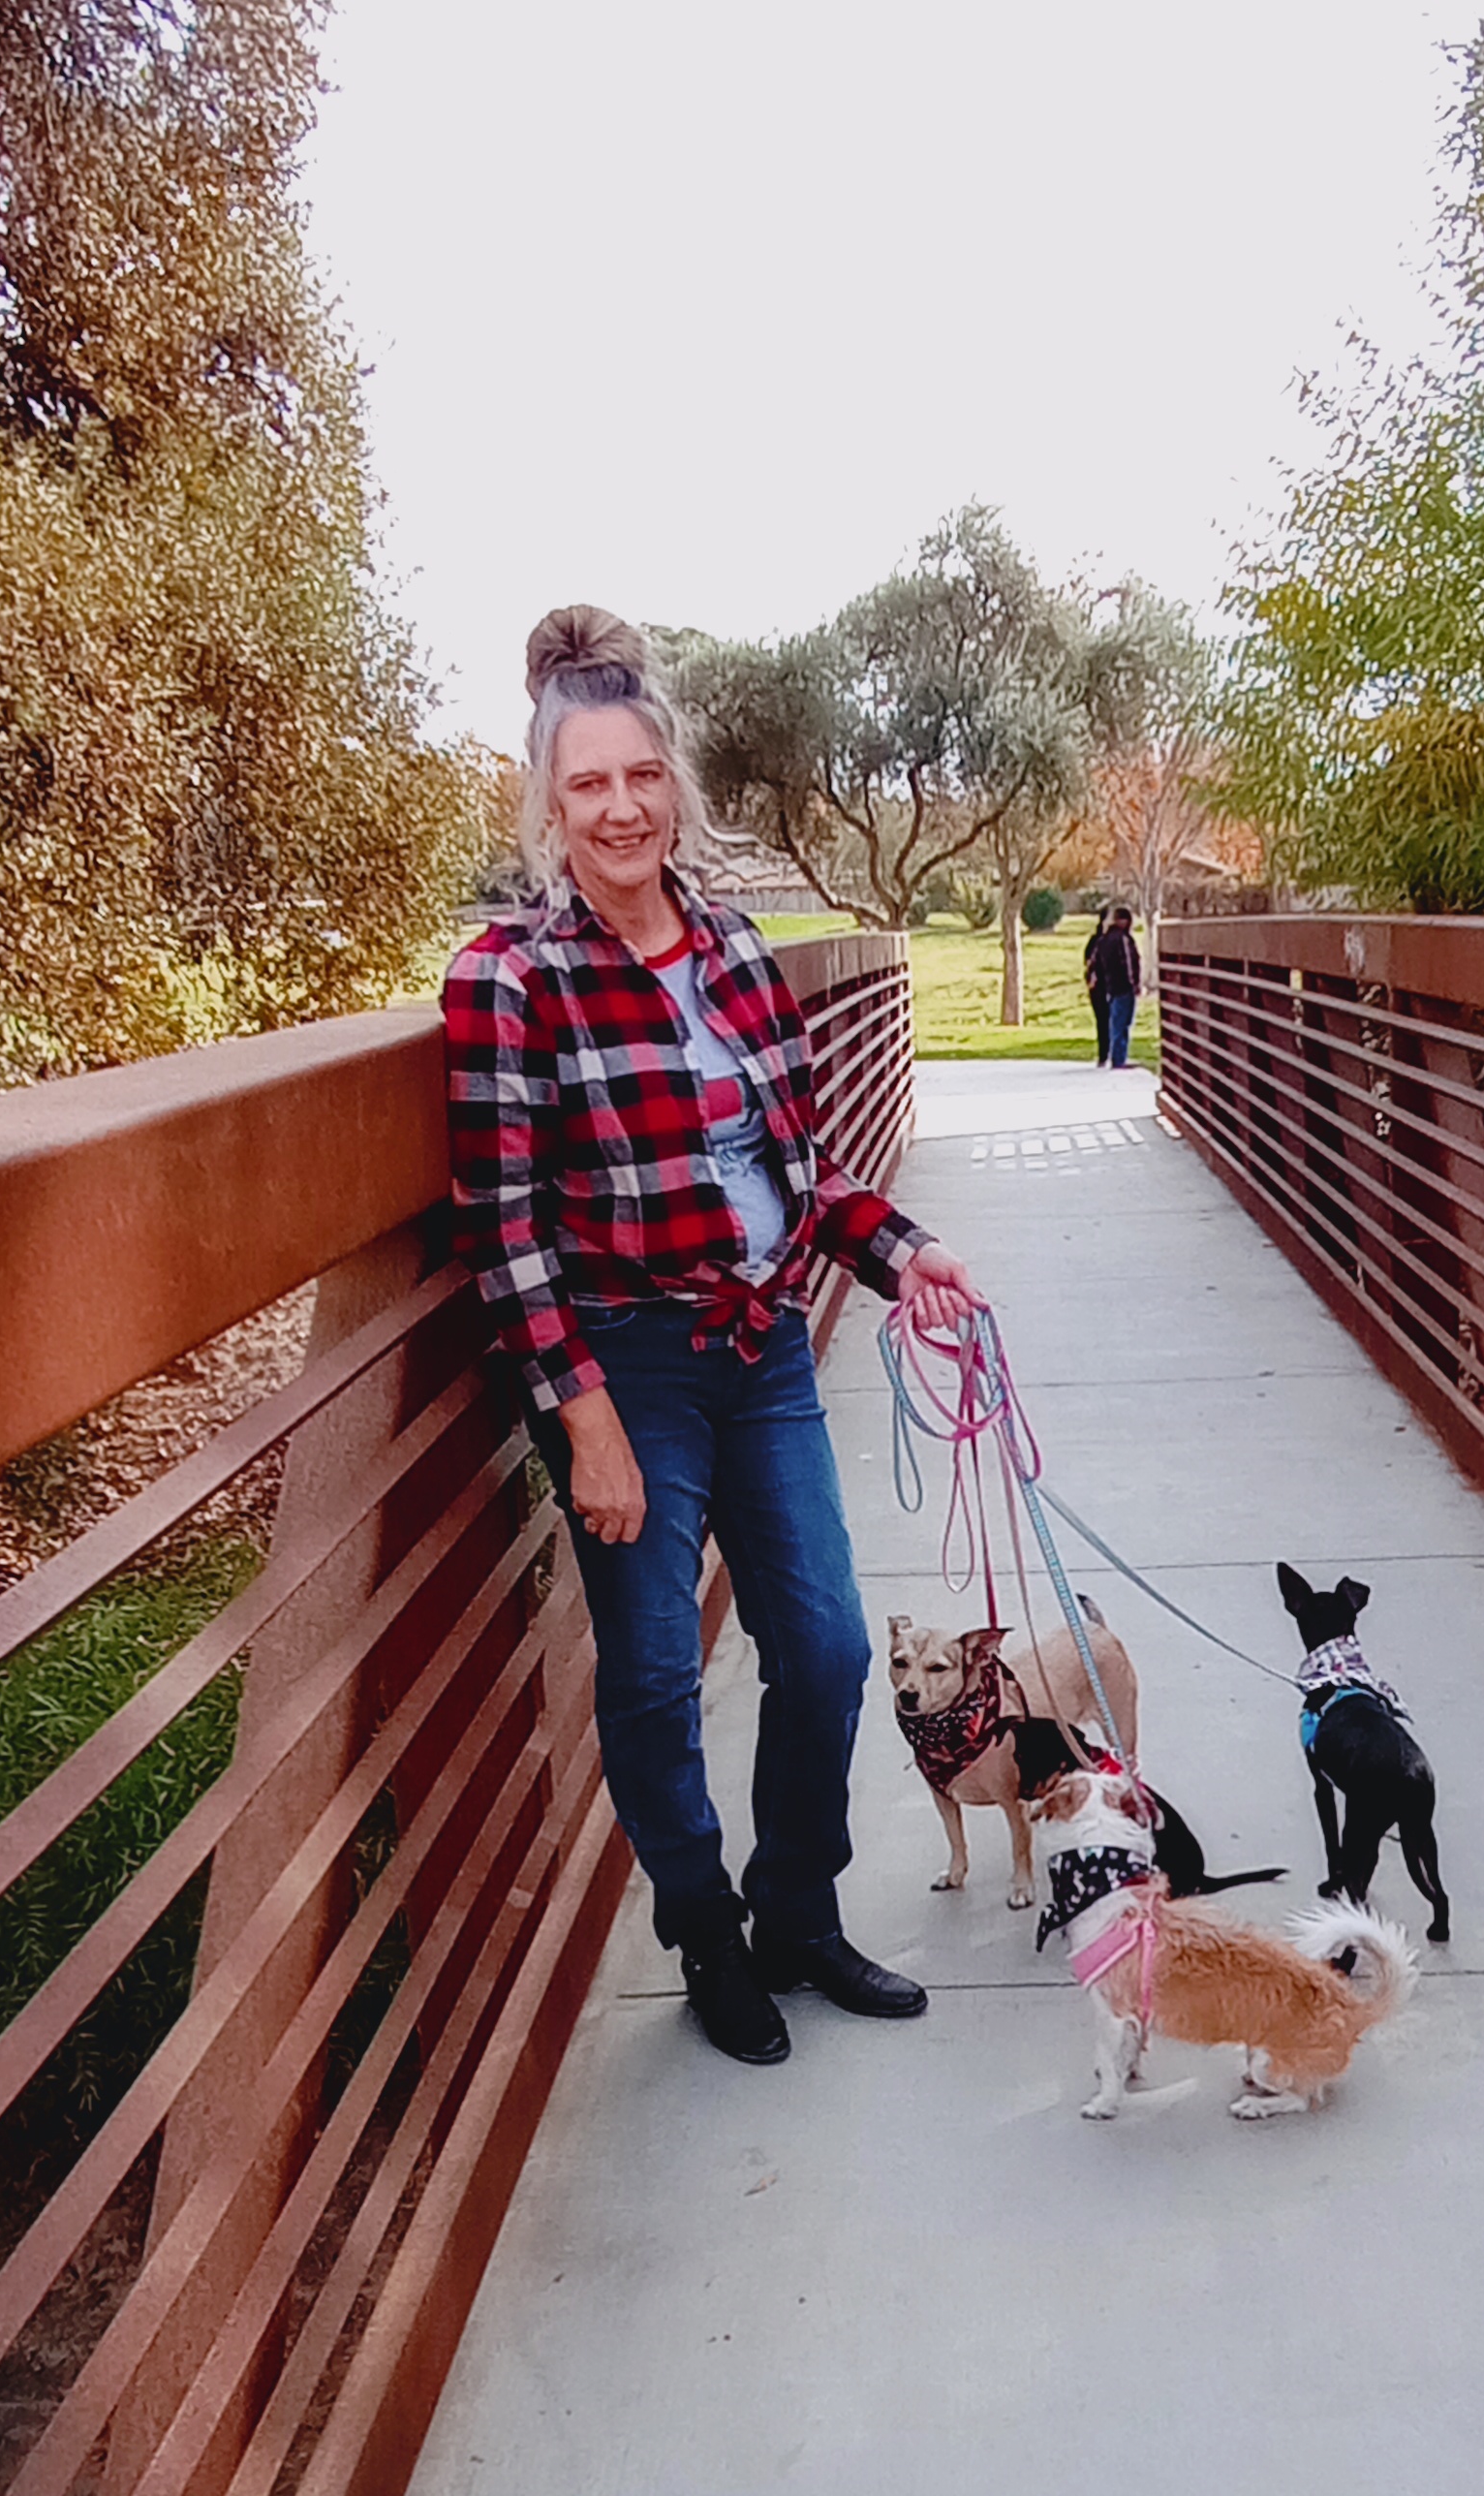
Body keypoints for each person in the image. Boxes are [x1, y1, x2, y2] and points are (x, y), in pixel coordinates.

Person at [444, 607, 982, 2068]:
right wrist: (586, 1421)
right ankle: (708, 1935)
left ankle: (798, 1910)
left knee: (826, 1650)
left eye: (641, 777)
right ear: (551, 806)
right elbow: (502, 1229)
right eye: (587, 785)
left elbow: (798, 1170)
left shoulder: (738, 948)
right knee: (652, 1674)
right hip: (623, 1365)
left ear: (673, 786)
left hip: (762, 1349)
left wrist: (905, 1254)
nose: (619, 808)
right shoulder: (509, 979)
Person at [1091, 904, 1142, 1068]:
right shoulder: (1123, 939)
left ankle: (1116, 1056)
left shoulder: (1103, 940)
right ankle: (1119, 1059)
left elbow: (1094, 963)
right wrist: (1134, 983)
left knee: (1115, 1021)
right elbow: (1128, 963)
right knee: (1123, 1023)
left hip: (1110, 987)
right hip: (1124, 986)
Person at [1080, 912, 1112, 1065]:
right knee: (1103, 1019)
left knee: (1111, 1019)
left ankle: (1111, 1053)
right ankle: (1104, 1053)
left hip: (1109, 984)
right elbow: (1088, 962)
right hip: (1099, 985)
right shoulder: (1096, 941)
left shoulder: (1115, 939)